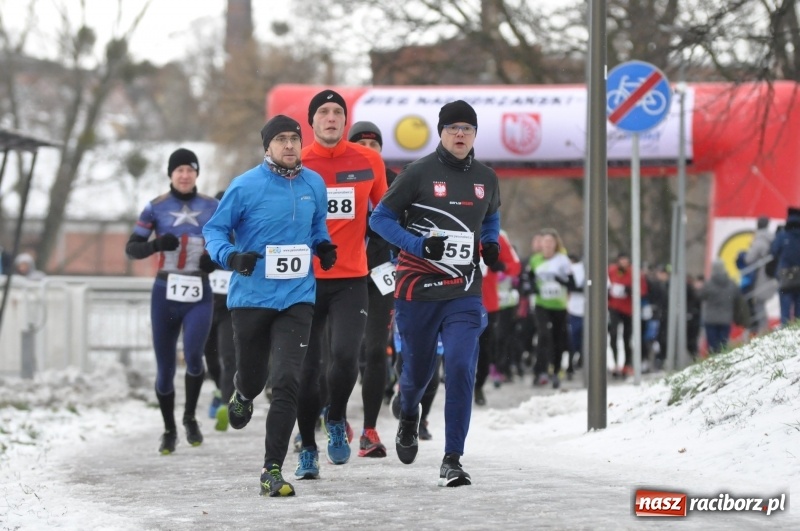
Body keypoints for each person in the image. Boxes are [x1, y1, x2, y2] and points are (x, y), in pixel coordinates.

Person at [370, 100, 500, 487]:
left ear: (475, 134)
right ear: (441, 132)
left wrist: (490, 242)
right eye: (453, 128)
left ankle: (452, 458)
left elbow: (490, 215)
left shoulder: (486, 177)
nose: (460, 134)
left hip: (464, 290)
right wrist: (417, 245)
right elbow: (379, 219)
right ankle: (408, 413)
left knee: (460, 366)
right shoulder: (418, 173)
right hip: (418, 290)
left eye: (467, 128)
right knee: (418, 376)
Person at [203, 115, 334, 497]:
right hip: (251, 298)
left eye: (295, 138)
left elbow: (318, 226)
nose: (290, 145)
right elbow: (213, 231)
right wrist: (231, 257)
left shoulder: (315, 183)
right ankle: (243, 394)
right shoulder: (245, 186)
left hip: (297, 297)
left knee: (288, 380)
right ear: (267, 146)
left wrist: (323, 246)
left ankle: (271, 469)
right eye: (281, 139)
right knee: (254, 377)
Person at [295, 90, 388, 477]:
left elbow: (384, 216)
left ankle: (335, 417)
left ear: (345, 120)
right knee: (307, 366)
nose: (331, 118)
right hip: (303, 279)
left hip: (352, 278)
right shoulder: (298, 161)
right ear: (312, 121)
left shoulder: (369, 160)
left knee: (348, 356)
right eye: (323, 112)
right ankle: (307, 449)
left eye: (337, 112)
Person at [125, 148, 218, 455]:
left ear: (196, 174)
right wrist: (154, 245)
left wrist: (214, 261)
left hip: (198, 292)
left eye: (190, 170)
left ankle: (190, 416)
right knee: (164, 370)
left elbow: (229, 243)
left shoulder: (212, 206)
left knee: (194, 356)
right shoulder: (155, 208)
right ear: (170, 174)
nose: (184, 175)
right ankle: (169, 429)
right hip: (165, 291)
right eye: (178, 170)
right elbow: (132, 248)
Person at [348, 121, 397, 458]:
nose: (368, 148)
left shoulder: (396, 182)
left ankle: (369, 430)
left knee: (376, 350)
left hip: (379, 272)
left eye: (374, 143)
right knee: (340, 352)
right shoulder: (334, 176)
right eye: (360, 142)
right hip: (342, 275)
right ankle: (332, 416)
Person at [475, 229, 520, 404]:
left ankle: (479, 386)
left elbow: (514, 266)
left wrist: (500, 266)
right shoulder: (452, 223)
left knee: (485, 349)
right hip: (456, 300)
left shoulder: (496, 235)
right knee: (456, 348)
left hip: (487, 303)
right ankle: (457, 387)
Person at [203, 190, 236, 431]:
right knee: (209, 356)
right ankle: (218, 389)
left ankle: (226, 403)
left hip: (230, 308)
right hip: (204, 304)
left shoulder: (242, 230)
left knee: (228, 355)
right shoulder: (206, 230)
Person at [528, 228, 573, 388]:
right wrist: (535, 288)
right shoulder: (535, 260)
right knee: (544, 335)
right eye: (544, 242)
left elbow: (571, 283)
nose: (547, 245)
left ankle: (555, 371)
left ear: (555, 244)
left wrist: (559, 280)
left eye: (550, 242)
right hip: (542, 304)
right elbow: (530, 280)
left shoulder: (562, 260)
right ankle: (539, 371)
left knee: (558, 338)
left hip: (559, 305)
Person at [607, 251, 648, 377]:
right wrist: (609, 291)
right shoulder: (611, 270)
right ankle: (614, 364)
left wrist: (629, 290)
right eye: (621, 260)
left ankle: (626, 365)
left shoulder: (635, 272)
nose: (623, 263)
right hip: (613, 306)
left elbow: (643, 291)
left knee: (627, 338)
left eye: (626, 260)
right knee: (613, 334)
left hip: (629, 309)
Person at [740, 216, 778, 333]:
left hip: (762, 277)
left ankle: (763, 328)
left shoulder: (759, 240)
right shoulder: (773, 238)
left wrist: (742, 255)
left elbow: (749, 259)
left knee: (758, 302)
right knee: (760, 302)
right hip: (772, 276)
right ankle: (763, 328)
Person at [697, 260, 740, 354]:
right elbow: (737, 297)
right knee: (723, 346)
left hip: (711, 319)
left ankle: (713, 362)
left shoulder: (708, 284)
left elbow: (701, 296)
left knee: (712, 346)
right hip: (726, 319)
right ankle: (722, 361)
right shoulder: (731, 284)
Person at [769, 207, 800, 325]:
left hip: (785, 276)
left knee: (785, 310)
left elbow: (773, 251)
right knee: (799, 310)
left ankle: (785, 328)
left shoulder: (783, 235)